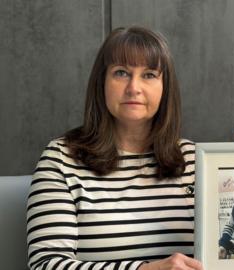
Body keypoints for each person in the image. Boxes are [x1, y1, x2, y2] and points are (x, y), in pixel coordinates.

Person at [26, 26, 202, 270]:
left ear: (165, 88)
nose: (134, 88)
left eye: (149, 74)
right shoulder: (61, 159)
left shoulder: (195, 161)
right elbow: (46, 264)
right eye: (121, 73)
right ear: (102, 83)